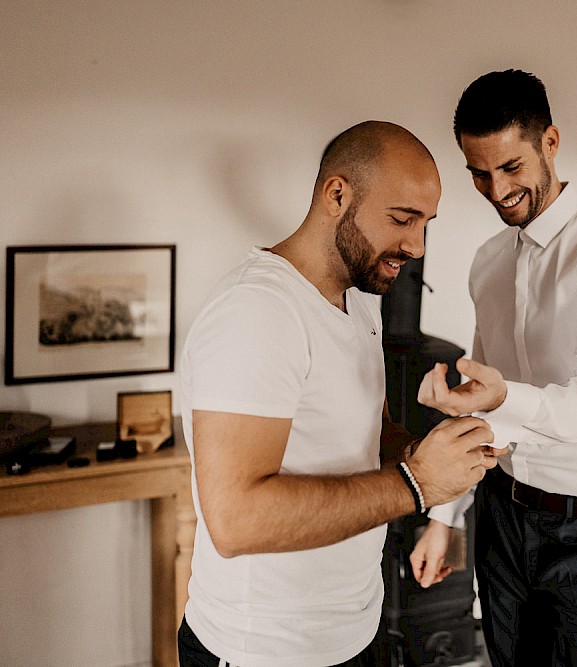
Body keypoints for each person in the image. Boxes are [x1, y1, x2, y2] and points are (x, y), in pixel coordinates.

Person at [177, 120, 500, 667]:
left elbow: (368, 441)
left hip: (354, 631)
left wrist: (438, 454)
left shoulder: (361, 303)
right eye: (402, 219)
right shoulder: (257, 312)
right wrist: (417, 484)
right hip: (266, 653)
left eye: (426, 224)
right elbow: (235, 521)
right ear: (337, 194)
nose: (416, 246)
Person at [410, 70, 577, 666]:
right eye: (479, 173)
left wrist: (502, 400)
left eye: (511, 168)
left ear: (550, 143)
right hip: (503, 519)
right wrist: (445, 517)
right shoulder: (488, 262)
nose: (497, 190)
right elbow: (480, 401)